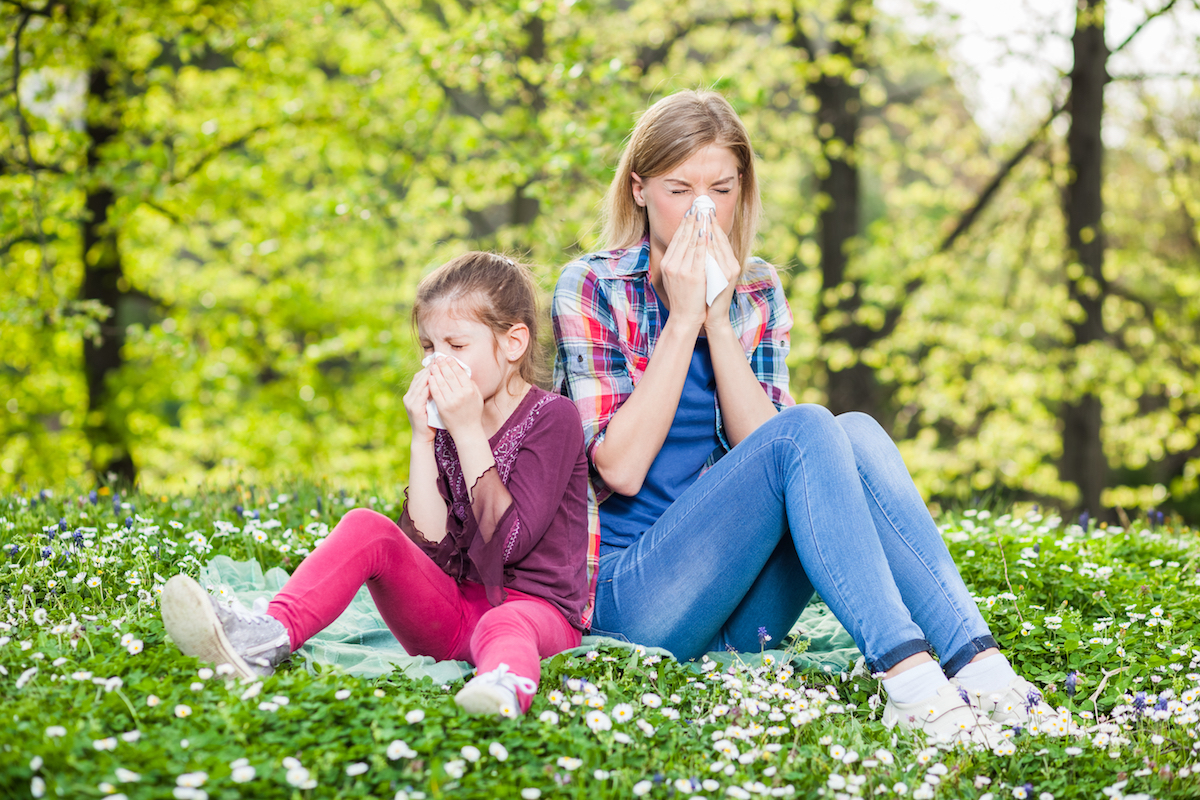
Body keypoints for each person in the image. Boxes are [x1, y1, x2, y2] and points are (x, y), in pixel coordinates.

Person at [551, 90, 1063, 746]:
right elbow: (617, 468)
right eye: (680, 189)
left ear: (742, 191)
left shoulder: (757, 287)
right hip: (633, 600)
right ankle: (908, 681)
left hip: (736, 607)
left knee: (853, 433)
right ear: (641, 189)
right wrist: (682, 319)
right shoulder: (593, 286)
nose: (701, 211)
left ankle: (983, 670)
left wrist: (716, 315)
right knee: (812, 425)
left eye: (721, 189)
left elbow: (773, 453)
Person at [163, 252, 591, 717]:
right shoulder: (447, 425)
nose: (437, 363)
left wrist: (467, 430)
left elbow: (508, 544)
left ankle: (501, 687)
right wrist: (422, 438)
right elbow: (427, 551)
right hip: (453, 618)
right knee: (367, 525)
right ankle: (264, 638)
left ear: (513, 343)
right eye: (429, 348)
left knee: (506, 623)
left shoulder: (553, 417)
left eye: (456, 346)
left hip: (537, 616)